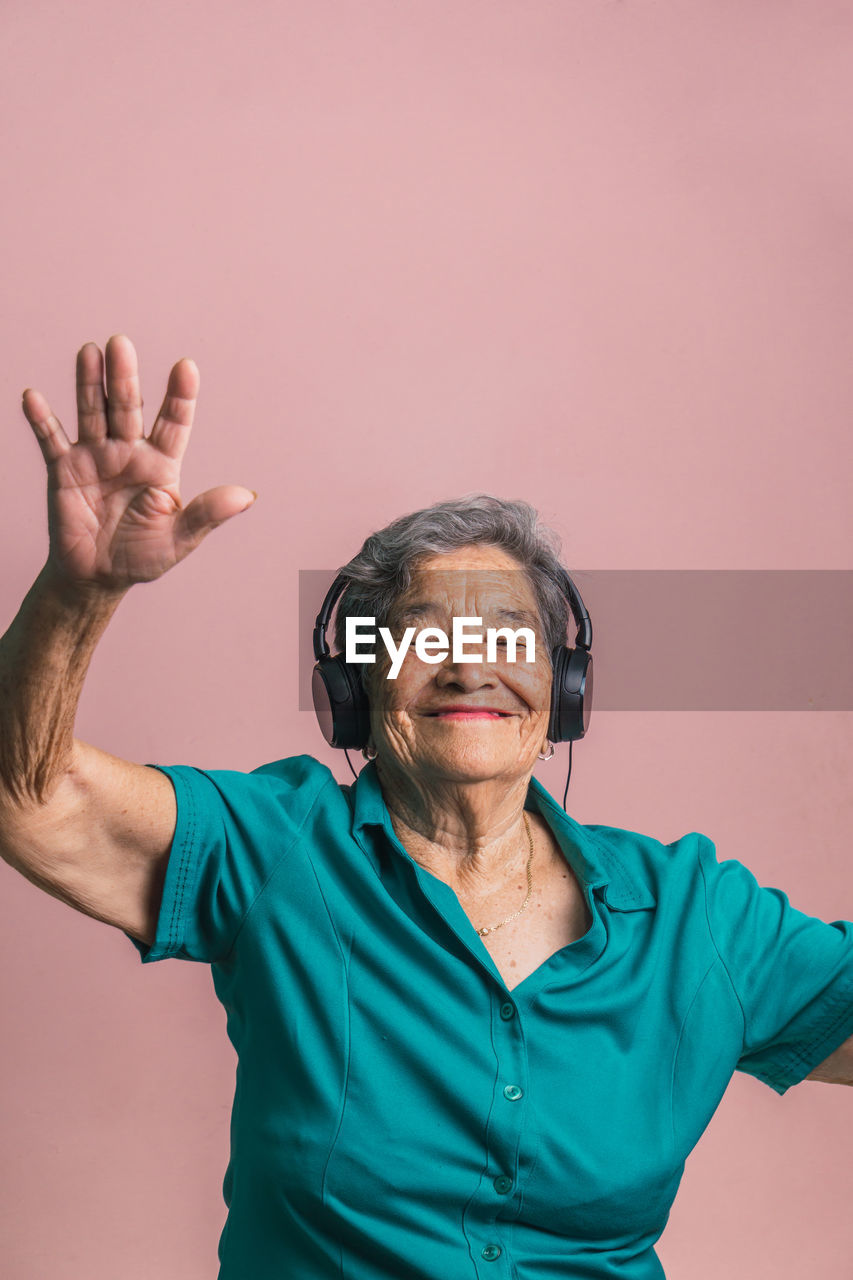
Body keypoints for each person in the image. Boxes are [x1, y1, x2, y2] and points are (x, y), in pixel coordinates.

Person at [3, 334, 853, 1280]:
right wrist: (80, 595)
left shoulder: (694, 915)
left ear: (564, 687)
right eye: (420, 635)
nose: (467, 666)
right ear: (357, 685)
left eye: (507, 634)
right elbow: (29, 796)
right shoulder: (273, 847)